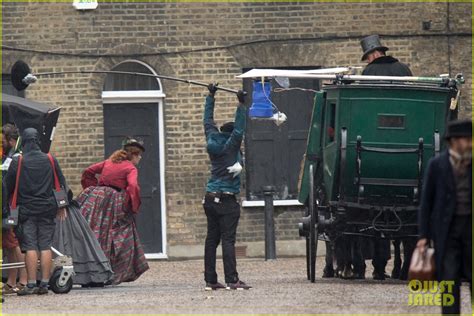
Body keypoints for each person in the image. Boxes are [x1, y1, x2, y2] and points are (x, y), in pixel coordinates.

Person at [358, 34, 415, 280]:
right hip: (411, 144)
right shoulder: (404, 69)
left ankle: (378, 267)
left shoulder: (366, 74)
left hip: (371, 147)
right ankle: (405, 267)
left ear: (371, 55)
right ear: (382, 50)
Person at [77, 137, 149, 285]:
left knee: (94, 233)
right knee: (115, 236)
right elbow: (133, 186)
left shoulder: (108, 162)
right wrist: (132, 205)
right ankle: (110, 272)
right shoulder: (130, 168)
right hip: (113, 203)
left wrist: (91, 187)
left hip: (96, 199)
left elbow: (88, 171)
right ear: (133, 155)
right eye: (139, 155)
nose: (140, 158)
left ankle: (90, 271)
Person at [418, 119, 471, 315]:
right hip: (447, 231)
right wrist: (423, 236)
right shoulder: (437, 165)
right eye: (466, 140)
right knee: (449, 280)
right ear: (455, 141)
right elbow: (426, 203)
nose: (470, 144)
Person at [5, 128, 68, 296]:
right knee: (45, 245)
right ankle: (45, 284)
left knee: (30, 246)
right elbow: (61, 183)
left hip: (26, 210)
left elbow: (7, 186)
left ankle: (31, 284)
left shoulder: (19, 161)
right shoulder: (50, 159)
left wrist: (6, 208)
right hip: (48, 208)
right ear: (38, 141)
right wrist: (62, 205)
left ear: (24, 142)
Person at [202, 83, 251, 291]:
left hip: (210, 197)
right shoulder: (232, 146)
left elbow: (207, 120)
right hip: (227, 200)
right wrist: (241, 104)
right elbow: (239, 129)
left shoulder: (212, 138)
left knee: (211, 240)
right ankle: (232, 280)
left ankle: (211, 280)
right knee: (228, 241)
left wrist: (210, 95)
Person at [1, 124, 28, 295]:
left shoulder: (16, 158)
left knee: (14, 243)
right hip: (5, 204)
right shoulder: (6, 157)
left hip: (12, 205)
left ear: (11, 140)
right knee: (8, 244)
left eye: (2, 141)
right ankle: (11, 281)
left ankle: (23, 280)